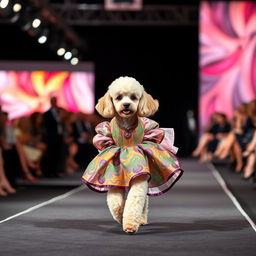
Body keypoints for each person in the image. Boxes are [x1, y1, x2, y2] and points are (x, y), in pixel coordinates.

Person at [41, 96, 66, 177]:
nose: (54, 102)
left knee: (60, 154)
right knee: (51, 154)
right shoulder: (46, 114)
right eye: (52, 101)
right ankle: (51, 172)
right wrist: (58, 119)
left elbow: (64, 124)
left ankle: (58, 171)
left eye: (55, 101)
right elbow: (47, 126)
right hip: (51, 137)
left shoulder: (60, 111)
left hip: (60, 136)